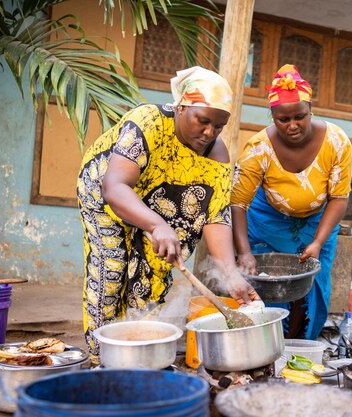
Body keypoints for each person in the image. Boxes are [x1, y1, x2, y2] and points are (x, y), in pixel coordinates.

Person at [77, 66, 260, 361]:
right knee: (111, 269)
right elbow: (115, 187)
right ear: (182, 107)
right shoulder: (147, 122)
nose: (209, 133)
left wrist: (230, 274)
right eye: (203, 121)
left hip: (158, 196)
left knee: (154, 268)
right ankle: (102, 360)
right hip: (107, 193)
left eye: (219, 127)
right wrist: (156, 223)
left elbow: (216, 215)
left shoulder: (217, 154)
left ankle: (137, 354)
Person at [231, 64, 352, 340]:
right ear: (272, 116)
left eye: (300, 116)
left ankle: (299, 344)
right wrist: (244, 251)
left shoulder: (336, 142)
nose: (292, 125)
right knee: (269, 282)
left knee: (311, 282)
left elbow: (338, 197)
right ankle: (268, 342)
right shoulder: (259, 148)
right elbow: (238, 203)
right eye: (283, 119)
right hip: (268, 220)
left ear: (311, 110)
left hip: (317, 221)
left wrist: (318, 242)